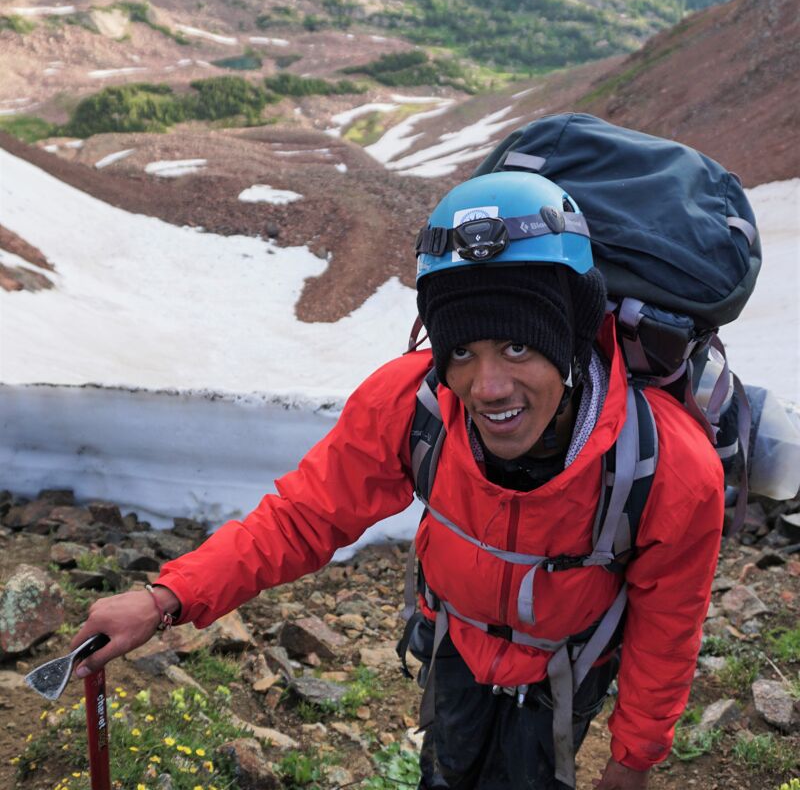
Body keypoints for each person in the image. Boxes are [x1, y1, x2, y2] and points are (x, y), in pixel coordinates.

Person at [72, 171, 724, 790]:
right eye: (462, 350)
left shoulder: (663, 465)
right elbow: (303, 517)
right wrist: (165, 600)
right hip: (453, 645)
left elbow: (668, 624)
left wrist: (635, 758)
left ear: (572, 333)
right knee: (443, 771)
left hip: (564, 667)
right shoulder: (411, 406)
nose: (488, 387)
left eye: (519, 346)